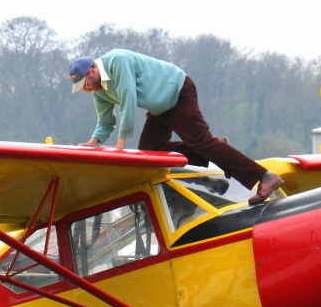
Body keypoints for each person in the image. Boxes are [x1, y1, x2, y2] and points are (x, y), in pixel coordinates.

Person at [68, 50, 284, 203]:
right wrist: (92, 143)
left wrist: (119, 147)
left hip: (178, 92)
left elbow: (128, 101)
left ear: (93, 71)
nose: (86, 89)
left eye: (84, 84)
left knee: (200, 142)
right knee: (151, 152)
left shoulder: (118, 60)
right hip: (159, 108)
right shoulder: (100, 91)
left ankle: (264, 177)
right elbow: (105, 121)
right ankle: (219, 149)